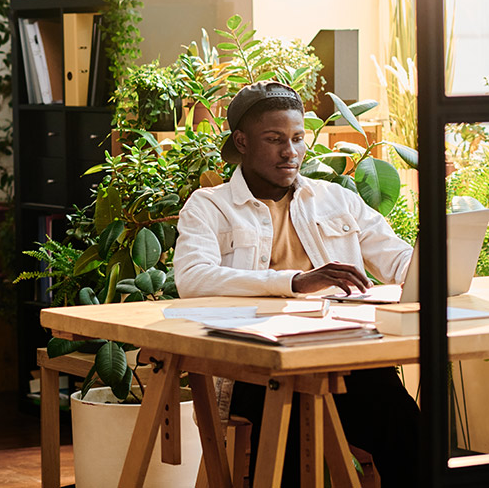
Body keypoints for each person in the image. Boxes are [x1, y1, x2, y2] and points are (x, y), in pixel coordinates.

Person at [174, 81, 419, 488]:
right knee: (290, 418)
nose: (291, 152)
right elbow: (193, 278)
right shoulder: (210, 205)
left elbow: (395, 258)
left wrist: (433, 266)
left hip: (343, 358)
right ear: (243, 141)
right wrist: (294, 282)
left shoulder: (333, 198)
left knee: (410, 435)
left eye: (298, 139)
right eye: (275, 140)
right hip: (254, 366)